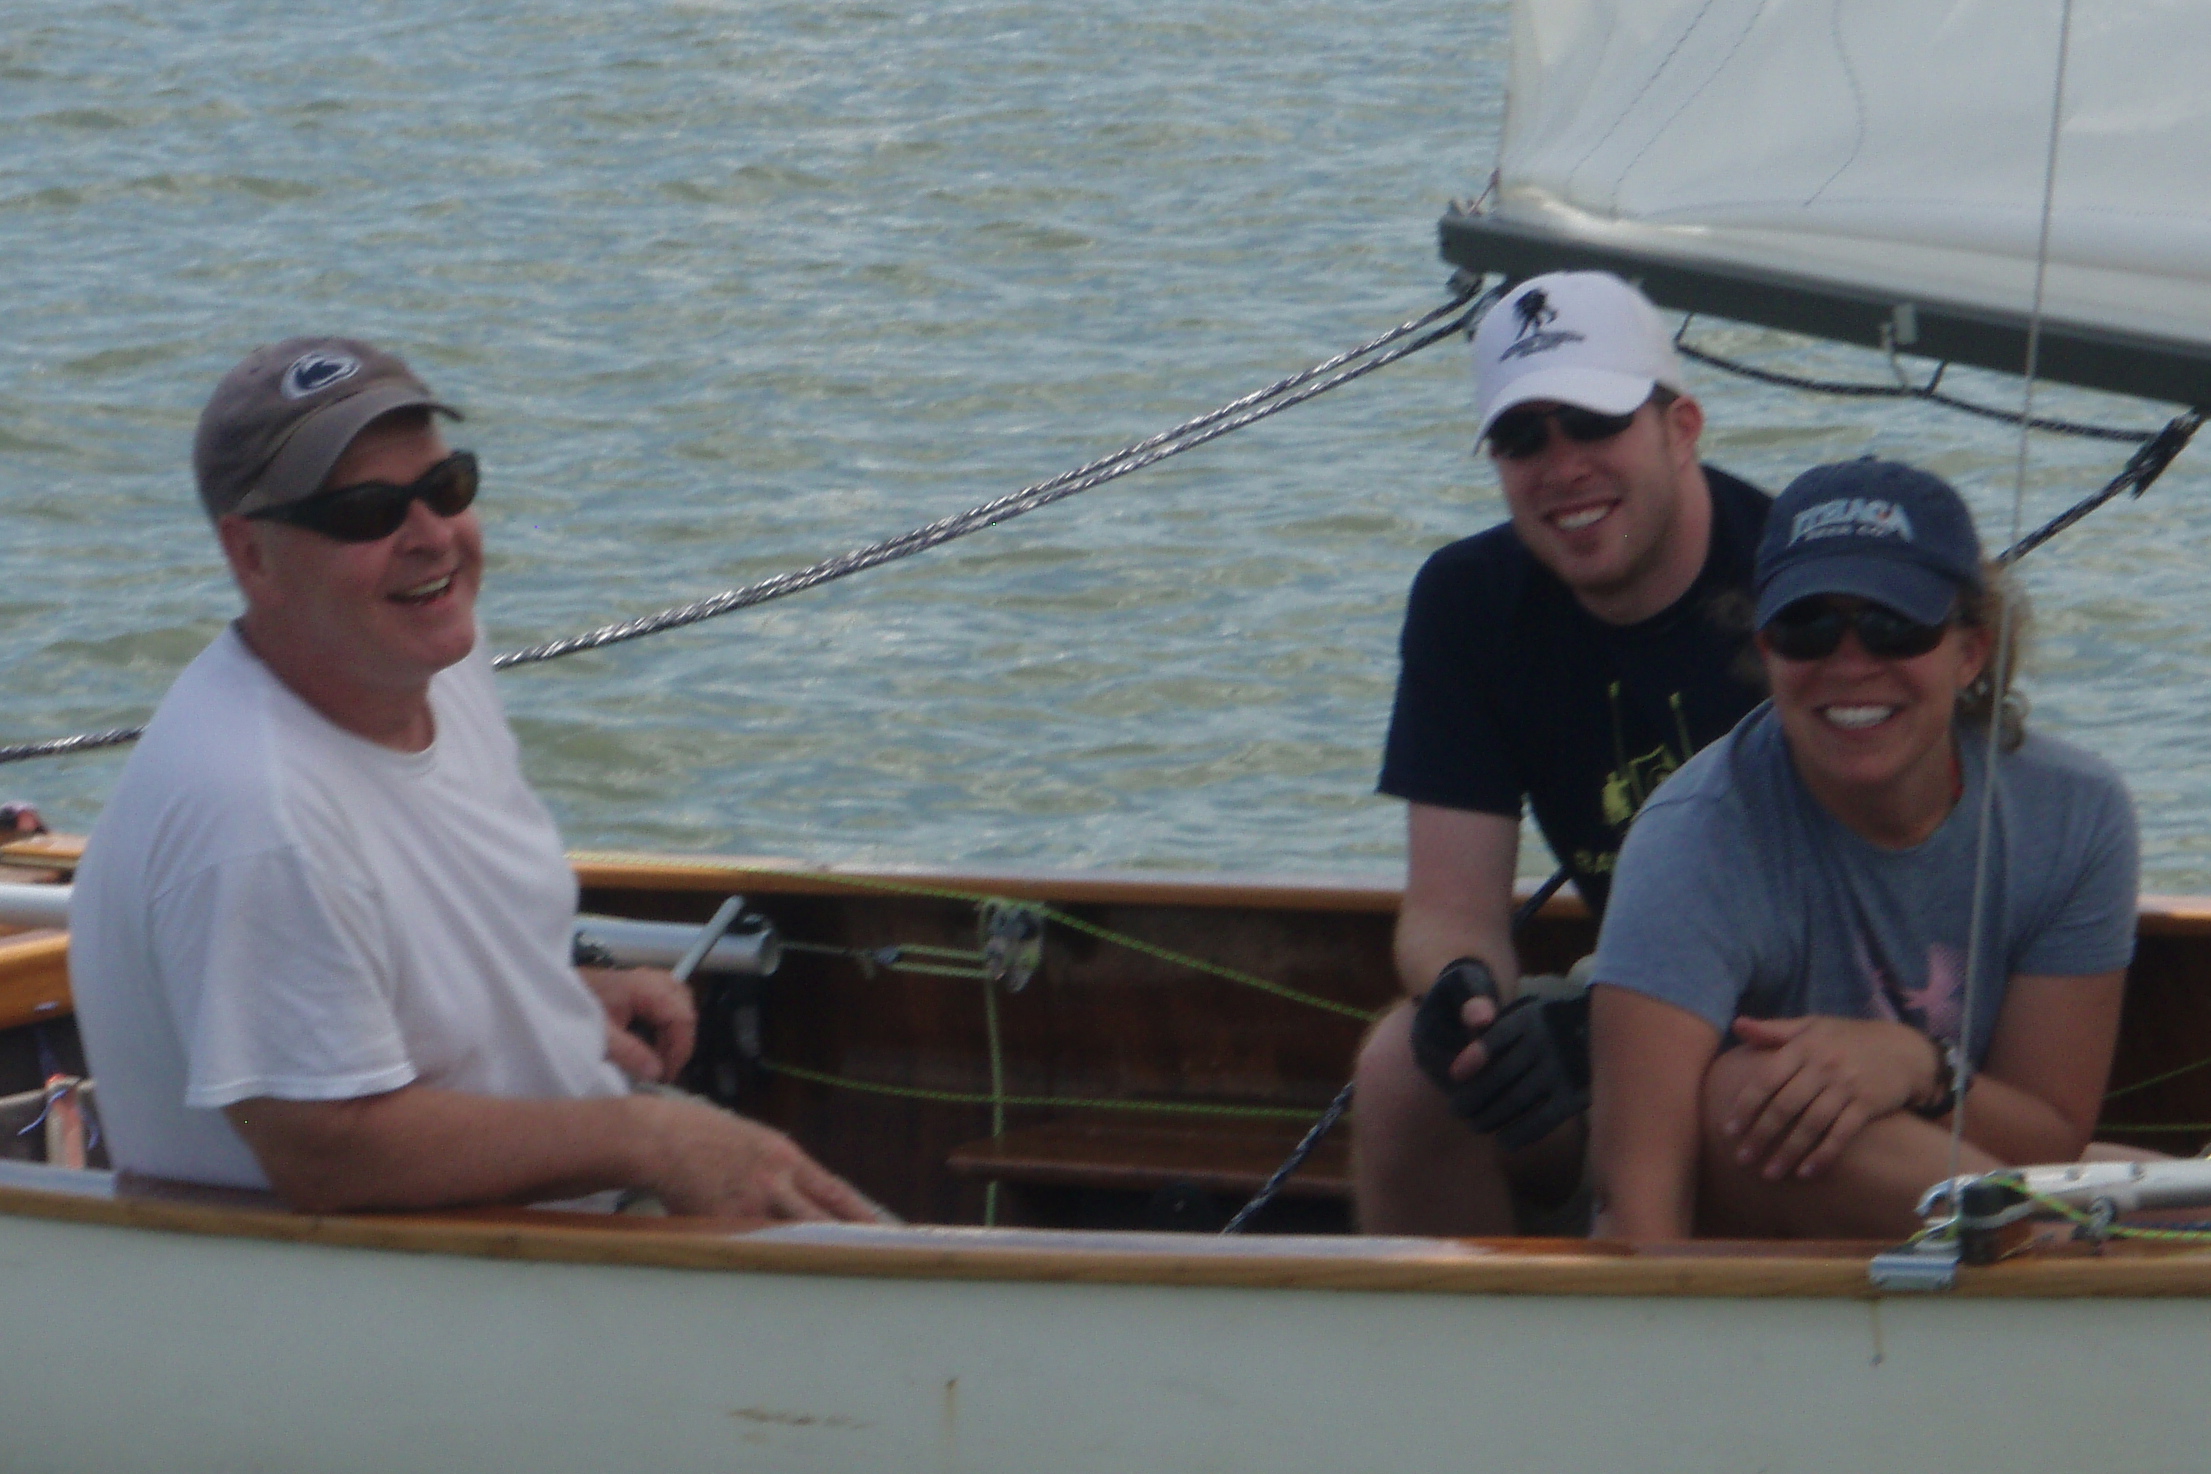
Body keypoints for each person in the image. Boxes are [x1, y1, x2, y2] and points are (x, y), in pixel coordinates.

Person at [69, 337, 879, 1221]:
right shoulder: (256, 816)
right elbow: (328, 1153)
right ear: (251, 556)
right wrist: (648, 1140)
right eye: (367, 511)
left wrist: (546, 1002)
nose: (430, 537)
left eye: (446, 486)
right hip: (434, 1271)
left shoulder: (429, 659)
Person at [1587, 458, 2138, 1240]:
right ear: (1765, 648)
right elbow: (1636, 1211)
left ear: (1970, 651)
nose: (1849, 664)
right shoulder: (1689, 838)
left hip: (1969, 1177)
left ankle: (2048, 1247)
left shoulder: (2077, 814)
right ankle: (2051, 1248)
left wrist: (1916, 1067)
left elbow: (2048, 1136)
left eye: (1893, 625)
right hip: (1751, 1234)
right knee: (1750, 1085)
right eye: (1807, 628)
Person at [1354, 271, 1772, 1234]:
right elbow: (1447, 912)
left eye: (1593, 423)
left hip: (1808, 1010)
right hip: (1624, 1007)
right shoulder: (1467, 603)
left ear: (1680, 428)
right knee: (1404, 1068)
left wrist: (1596, 1030)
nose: (1561, 466)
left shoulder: (1793, 589)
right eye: (1521, 438)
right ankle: (1465, 1334)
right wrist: (1461, 992)